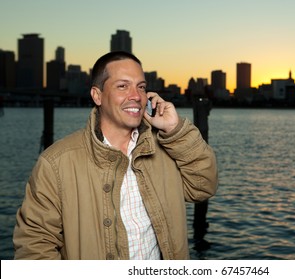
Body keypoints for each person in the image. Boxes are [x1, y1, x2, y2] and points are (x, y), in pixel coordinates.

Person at [13, 51, 218, 260]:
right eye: (123, 86)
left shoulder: (166, 148)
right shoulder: (56, 163)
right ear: (97, 95)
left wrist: (175, 130)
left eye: (141, 87)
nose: (137, 96)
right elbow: (34, 247)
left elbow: (203, 187)